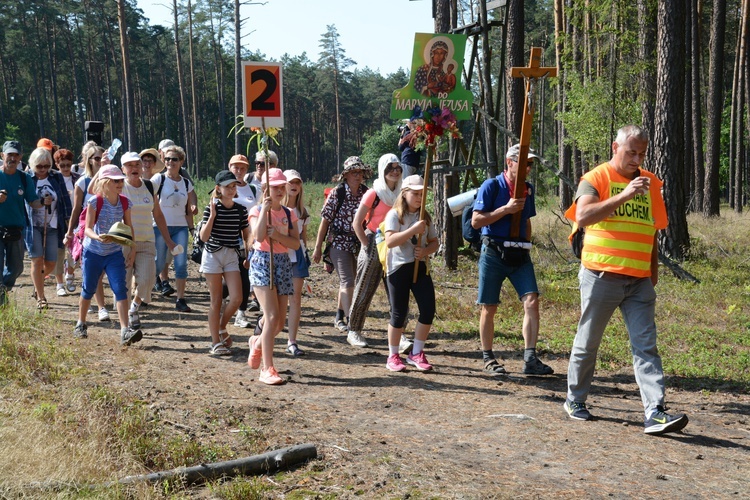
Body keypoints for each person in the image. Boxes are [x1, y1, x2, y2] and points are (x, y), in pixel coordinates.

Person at [562, 125, 689, 436]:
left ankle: (655, 412)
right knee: (588, 342)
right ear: (615, 147)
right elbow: (584, 215)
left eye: (642, 153)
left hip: (639, 281)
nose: (637, 159)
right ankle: (575, 399)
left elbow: (652, 229)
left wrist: (652, 272)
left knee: (646, 346)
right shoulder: (596, 179)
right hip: (601, 275)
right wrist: (624, 195)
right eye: (631, 152)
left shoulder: (650, 183)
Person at [471, 143, 554, 376]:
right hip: (493, 252)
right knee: (489, 306)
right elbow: (476, 222)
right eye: (524, 163)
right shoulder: (491, 186)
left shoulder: (528, 189)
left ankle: (530, 358)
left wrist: (526, 245)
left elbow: (526, 220)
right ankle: (488, 358)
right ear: (510, 162)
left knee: (532, 300)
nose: (528, 168)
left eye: (531, 164)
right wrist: (505, 210)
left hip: (519, 254)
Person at [347, 153, 411, 351]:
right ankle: (354, 330)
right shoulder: (373, 193)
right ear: (383, 170)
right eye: (390, 168)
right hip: (375, 240)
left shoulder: (403, 193)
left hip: (396, 243)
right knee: (365, 286)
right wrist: (366, 244)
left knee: (398, 290)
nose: (395, 171)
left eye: (397, 167)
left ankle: (398, 334)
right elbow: (357, 222)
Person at [73, 165, 141, 346]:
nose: (120, 183)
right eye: (115, 180)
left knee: (120, 289)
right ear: (105, 182)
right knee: (88, 288)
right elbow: (87, 229)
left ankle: (125, 331)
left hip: (114, 253)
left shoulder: (125, 202)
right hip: (92, 252)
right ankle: (81, 323)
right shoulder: (95, 202)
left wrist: (132, 249)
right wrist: (97, 237)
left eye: (121, 180)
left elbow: (129, 227)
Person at [247, 168, 299, 385]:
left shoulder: (289, 213)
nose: (279, 190)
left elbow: (295, 243)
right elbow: (257, 236)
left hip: (283, 263)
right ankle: (267, 368)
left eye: (281, 186)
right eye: (274, 186)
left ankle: (257, 343)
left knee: (278, 323)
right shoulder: (256, 210)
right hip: (262, 263)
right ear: (265, 188)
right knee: (270, 317)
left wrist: (277, 236)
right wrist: (265, 210)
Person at [382, 175, 439, 372]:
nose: (419, 197)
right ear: (404, 194)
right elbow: (390, 241)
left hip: (420, 267)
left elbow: (434, 242)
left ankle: (416, 352)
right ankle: (393, 355)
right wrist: (412, 230)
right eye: (415, 193)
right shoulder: (395, 215)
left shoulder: (426, 216)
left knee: (428, 309)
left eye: (422, 194)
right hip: (398, 268)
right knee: (399, 313)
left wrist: (424, 251)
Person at [312, 156, 369, 333]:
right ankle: (351, 320)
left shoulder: (367, 193)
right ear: (346, 175)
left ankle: (338, 317)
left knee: (351, 281)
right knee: (348, 281)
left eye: (359, 172)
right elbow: (325, 221)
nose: (357, 176)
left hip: (357, 244)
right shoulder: (338, 193)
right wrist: (317, 248)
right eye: (353, 172)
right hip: (338, 242)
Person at [120, 152, 177, 329]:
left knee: (147, 281)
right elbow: (93, 190)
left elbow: (158, 215)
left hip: (147, 241)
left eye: (137, 164)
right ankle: (126, 325)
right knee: (123, 285)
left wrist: (169, 241)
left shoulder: (149, 186)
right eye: (129, 165)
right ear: (123, 169)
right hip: (124, 243)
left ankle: (134, 308)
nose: (134, 168)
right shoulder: (119, 186)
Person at [199, 170, 251, 356]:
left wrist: (248, 252)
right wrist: (212, 216)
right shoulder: (211, 208)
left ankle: (221, 326)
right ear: (218, 189)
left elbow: (247, 234)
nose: (231, 189)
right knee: (216, 300)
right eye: (227, 186)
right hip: (213, 254)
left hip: (231, 255)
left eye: (233, 186)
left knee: (237, 297)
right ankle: (215, 342)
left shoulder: (240, 209)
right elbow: (204, 237)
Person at [65, 141, 110, 320]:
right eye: (96, 158)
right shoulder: (83, 182)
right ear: (89, 160)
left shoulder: (110, 179)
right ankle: (100, 306)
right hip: (87, 231)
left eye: (102, 158)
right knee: (93, 270)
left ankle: (94, 300)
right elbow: (76, 209)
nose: (99, 161)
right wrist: (69, 232)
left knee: (101, 270)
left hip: (107, 229)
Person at [25, 147, 71, 310]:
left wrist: (69, 223)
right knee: (37, 260)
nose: (43, 170)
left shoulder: (56, 177)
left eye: (46, 166)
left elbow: (65, 200)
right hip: (32, 226)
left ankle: (37, 281)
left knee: (51, 263)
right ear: (32, 165)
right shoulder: (27, 178)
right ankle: (41, 297)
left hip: (53, 225)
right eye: (39, 167)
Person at [151, 145, 194, 312]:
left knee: (181, 263)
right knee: (159, 262)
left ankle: (180, 299)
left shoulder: (186, 183)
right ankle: (142, 291)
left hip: (181, 227)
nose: (170, 162)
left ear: (181, 161)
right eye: (167, 159)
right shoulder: (158, 179)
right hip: (161, 227)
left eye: (174, 159)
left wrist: (191, 226)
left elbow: (190, 203)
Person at [0, 141, 42, 306]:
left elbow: (33, 201)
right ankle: (1, 300)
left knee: (17, 268)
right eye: (9, 154)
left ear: (21, 157)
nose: (12, 157)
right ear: (2, 155)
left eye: (16, 154)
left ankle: (3, 289)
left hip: (16, 229)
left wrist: (44, 202)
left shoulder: (24, 179)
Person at [228, 153, 261, 328]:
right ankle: (224, 307)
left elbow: (257, 211)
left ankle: (240, 313)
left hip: (246, 239)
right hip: (225, 238)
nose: (239, 171)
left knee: (245, 274)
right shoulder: (222, 187)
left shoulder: (253, 190)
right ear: (229, 167)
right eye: (236, 167)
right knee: (227, 279)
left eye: (242, 168)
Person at [282, 169, 310, 356]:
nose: (294, 186)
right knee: (279, 301)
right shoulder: (275, 209)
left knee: (295, 299)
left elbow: (303, 236)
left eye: (297, 182)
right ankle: (264, 326)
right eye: (290, 182)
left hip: (298, 255)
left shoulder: (302, 211)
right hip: (280, 254)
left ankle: (292, 341)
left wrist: (306, 255)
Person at [52, 148, 80, 295]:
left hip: (75, 220)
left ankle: (70, 275)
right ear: (57, 164)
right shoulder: (54, 179)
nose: (65, 168)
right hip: (58, 220)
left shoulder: (77, 178)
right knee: (59, 252)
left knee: (75, 251)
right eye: (62, 165)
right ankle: (59, 283)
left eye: (68, 165)